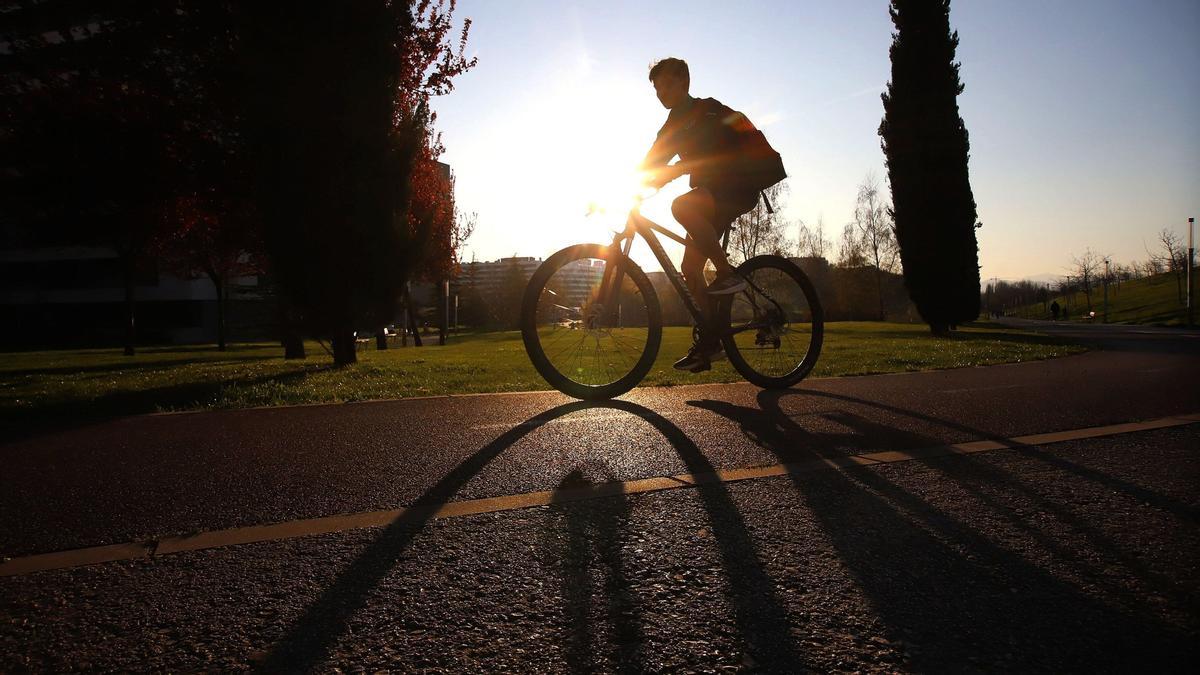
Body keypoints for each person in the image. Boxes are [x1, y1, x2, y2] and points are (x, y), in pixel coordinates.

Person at [640, 57, 785, 372]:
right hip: (711, 197)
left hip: (736, 187)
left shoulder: (706, 110)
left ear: (684, 82)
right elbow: (649, 164)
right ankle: (710, 342)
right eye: (656, 87)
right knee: (690, 268)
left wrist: (671, 172)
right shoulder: (671, 127)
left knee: (681, 206)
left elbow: (708, 158)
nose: (660, 92)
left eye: (666, 84)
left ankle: (727, 274)